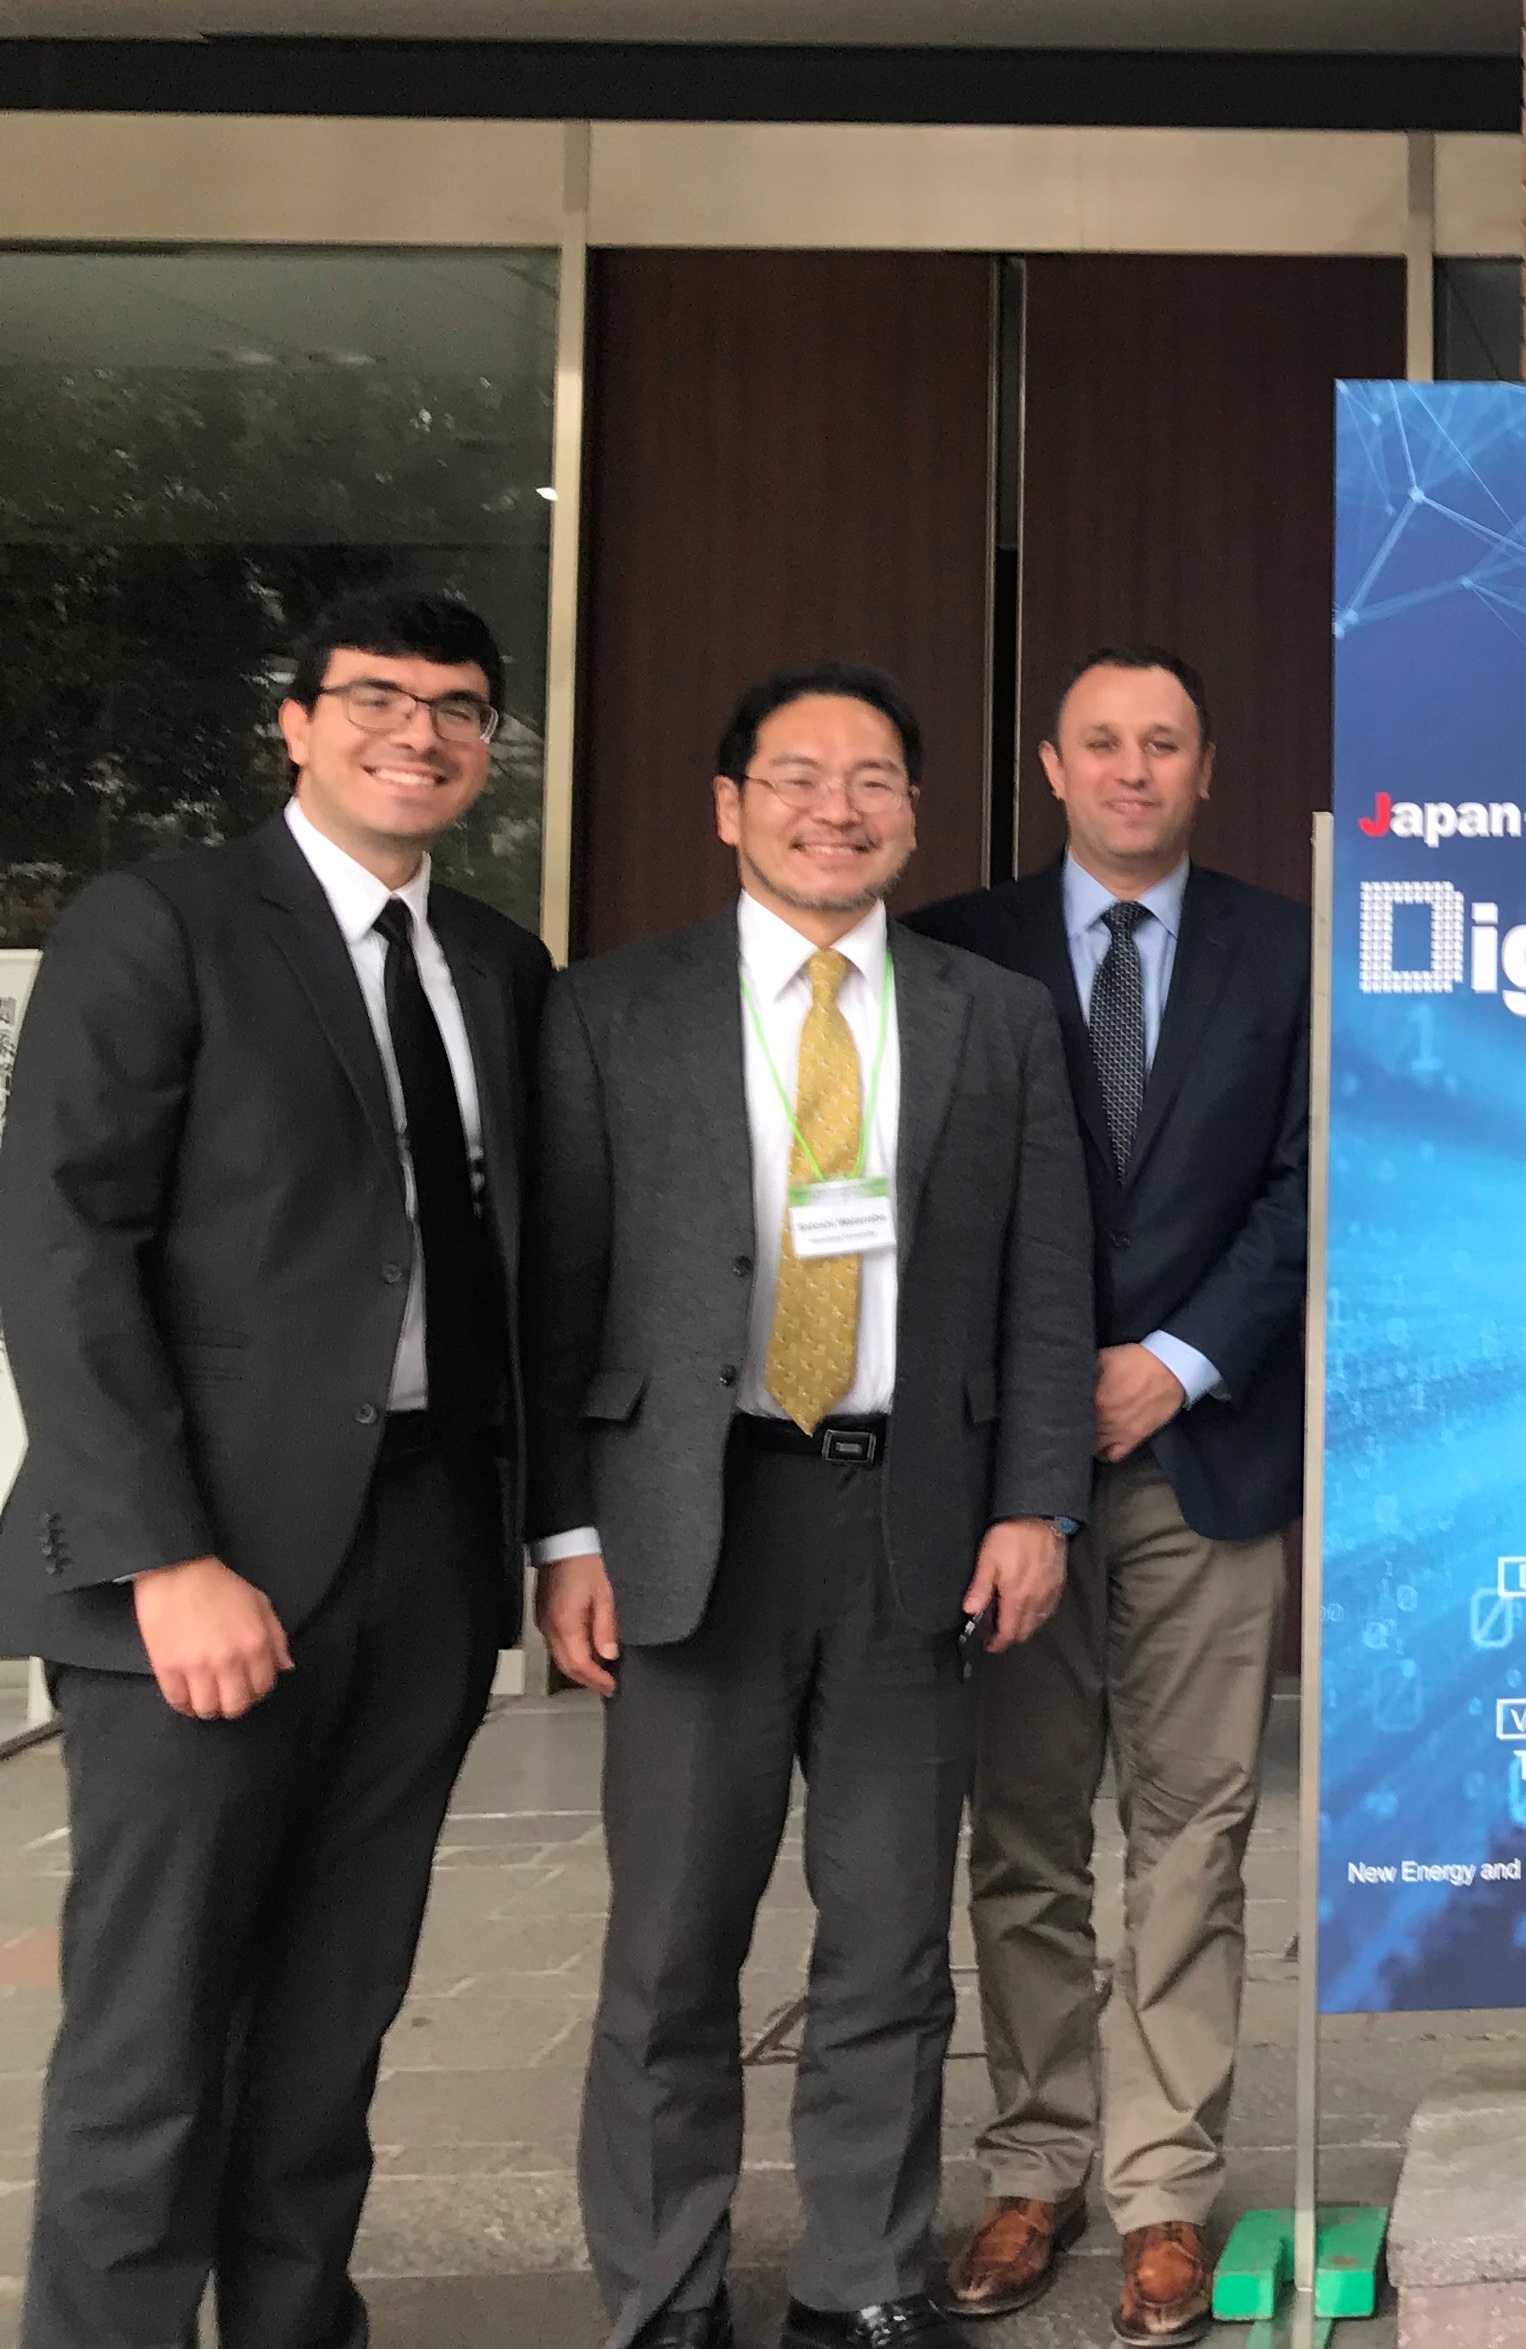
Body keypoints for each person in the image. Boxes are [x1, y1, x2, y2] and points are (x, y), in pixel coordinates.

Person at [0, 588, 549, 2349]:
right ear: (294, 724)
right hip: (202, 1569)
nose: (422, 732)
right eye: (378, 698)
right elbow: (63, 1246)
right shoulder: (159, 926)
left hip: (424, 1549)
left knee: (333, 2021)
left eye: (459, 707)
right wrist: (164, 1556)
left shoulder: (493, 965)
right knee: (154, 2034)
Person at [526, 662, 1095, 2349]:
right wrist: (566, 1534)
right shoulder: (612, 1013)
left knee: (889, 1943)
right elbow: (559, 1292)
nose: (834, 808)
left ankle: (861, 2277)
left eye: (872, 781)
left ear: (915, 815)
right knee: (672, 1955)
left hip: (908, 1524)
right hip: (689, 1529)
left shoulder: (990, 1017)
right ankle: (665, 2292)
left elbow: (1043, 1283)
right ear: (730, 806)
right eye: (795, 777)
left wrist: (1036, 1501)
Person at [911, 649, 1311, 2342]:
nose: (1133, 769)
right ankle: (1035, 2160)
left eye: (1164, 744)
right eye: (1102, 744)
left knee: (1194, 1833)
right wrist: (1049, 1375)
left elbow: (1313, 1178)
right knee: (1020, 1832)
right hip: (1013, 1470)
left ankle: (1163, 2190)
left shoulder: (1288, 948)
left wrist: (1183, 1357)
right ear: (1053, 770)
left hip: (1208, 1451)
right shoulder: (954, 948)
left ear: (1206, 768)